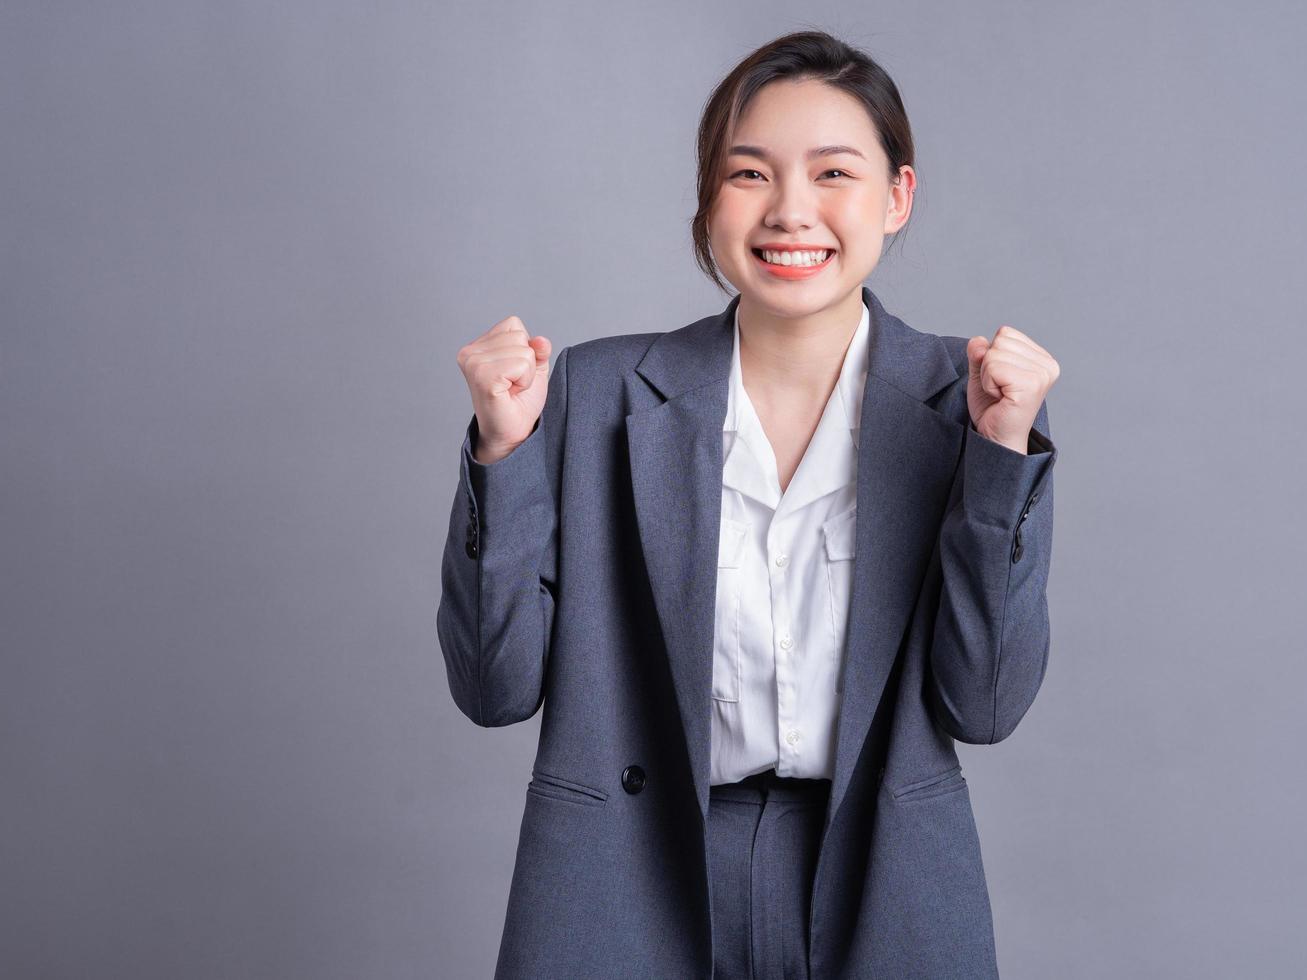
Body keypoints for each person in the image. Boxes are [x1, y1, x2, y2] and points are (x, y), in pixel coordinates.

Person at [440, 29, 1059, 980]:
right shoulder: (595, 391)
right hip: (629, 878)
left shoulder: (966, 399)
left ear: (896, 198)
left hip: (878, 882)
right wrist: (503, 448)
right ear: (708, 200)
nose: (789, 212)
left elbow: (980, 707)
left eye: (833, 173)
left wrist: (1000, 453)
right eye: (749, 174)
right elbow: (494, 689)